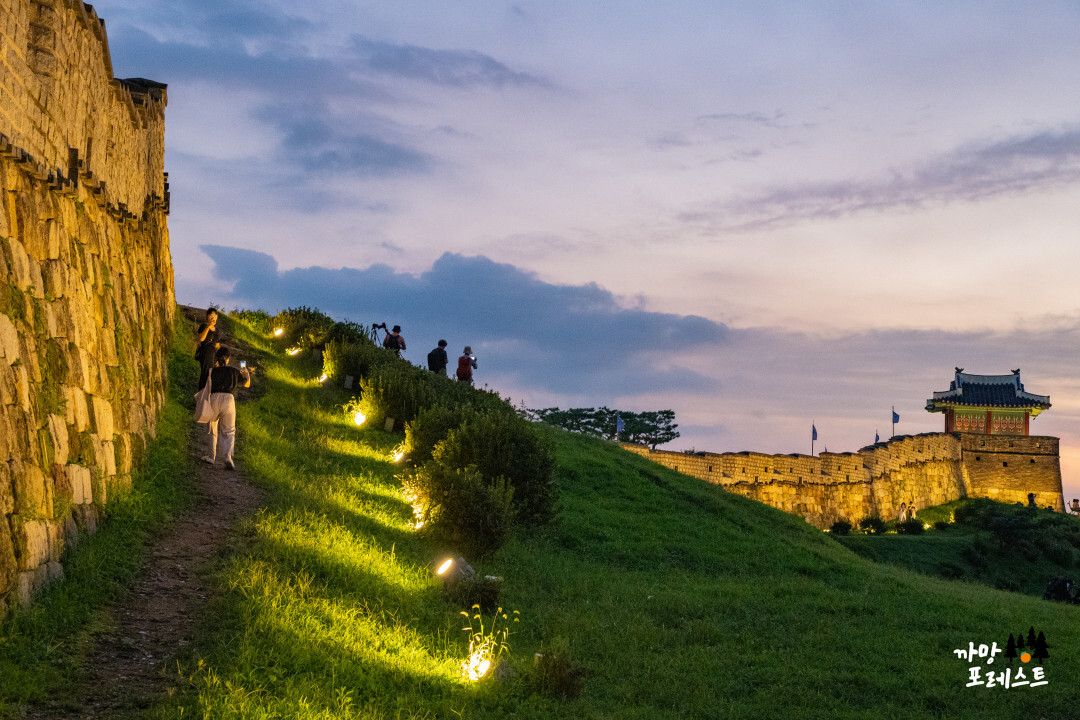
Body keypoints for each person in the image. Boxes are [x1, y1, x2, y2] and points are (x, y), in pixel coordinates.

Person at [201, 346, 251, 470]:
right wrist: (246, 373)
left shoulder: (212, 371)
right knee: (229, 430)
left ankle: (211, 457)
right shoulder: (234, 371)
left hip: (214, 398)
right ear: (228, 359)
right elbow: (246, 384)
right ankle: (228, 457)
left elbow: (204, 386)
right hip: (229, 400)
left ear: (217, 358)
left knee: (212, 428)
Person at [195, 307, 220, 390]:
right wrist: (208, 327)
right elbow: (201, 339)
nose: (212, 317)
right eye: (210, 315)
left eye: (214, 315)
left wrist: (217, 358)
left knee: (212, 374)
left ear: (217, 317)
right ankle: (201, 394)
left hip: (213, 353)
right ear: (207, 317)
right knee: (206, 372)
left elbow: (217, 345)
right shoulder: (204, 326)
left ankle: (209, 395)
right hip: (205, 352)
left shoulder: (217, 331)